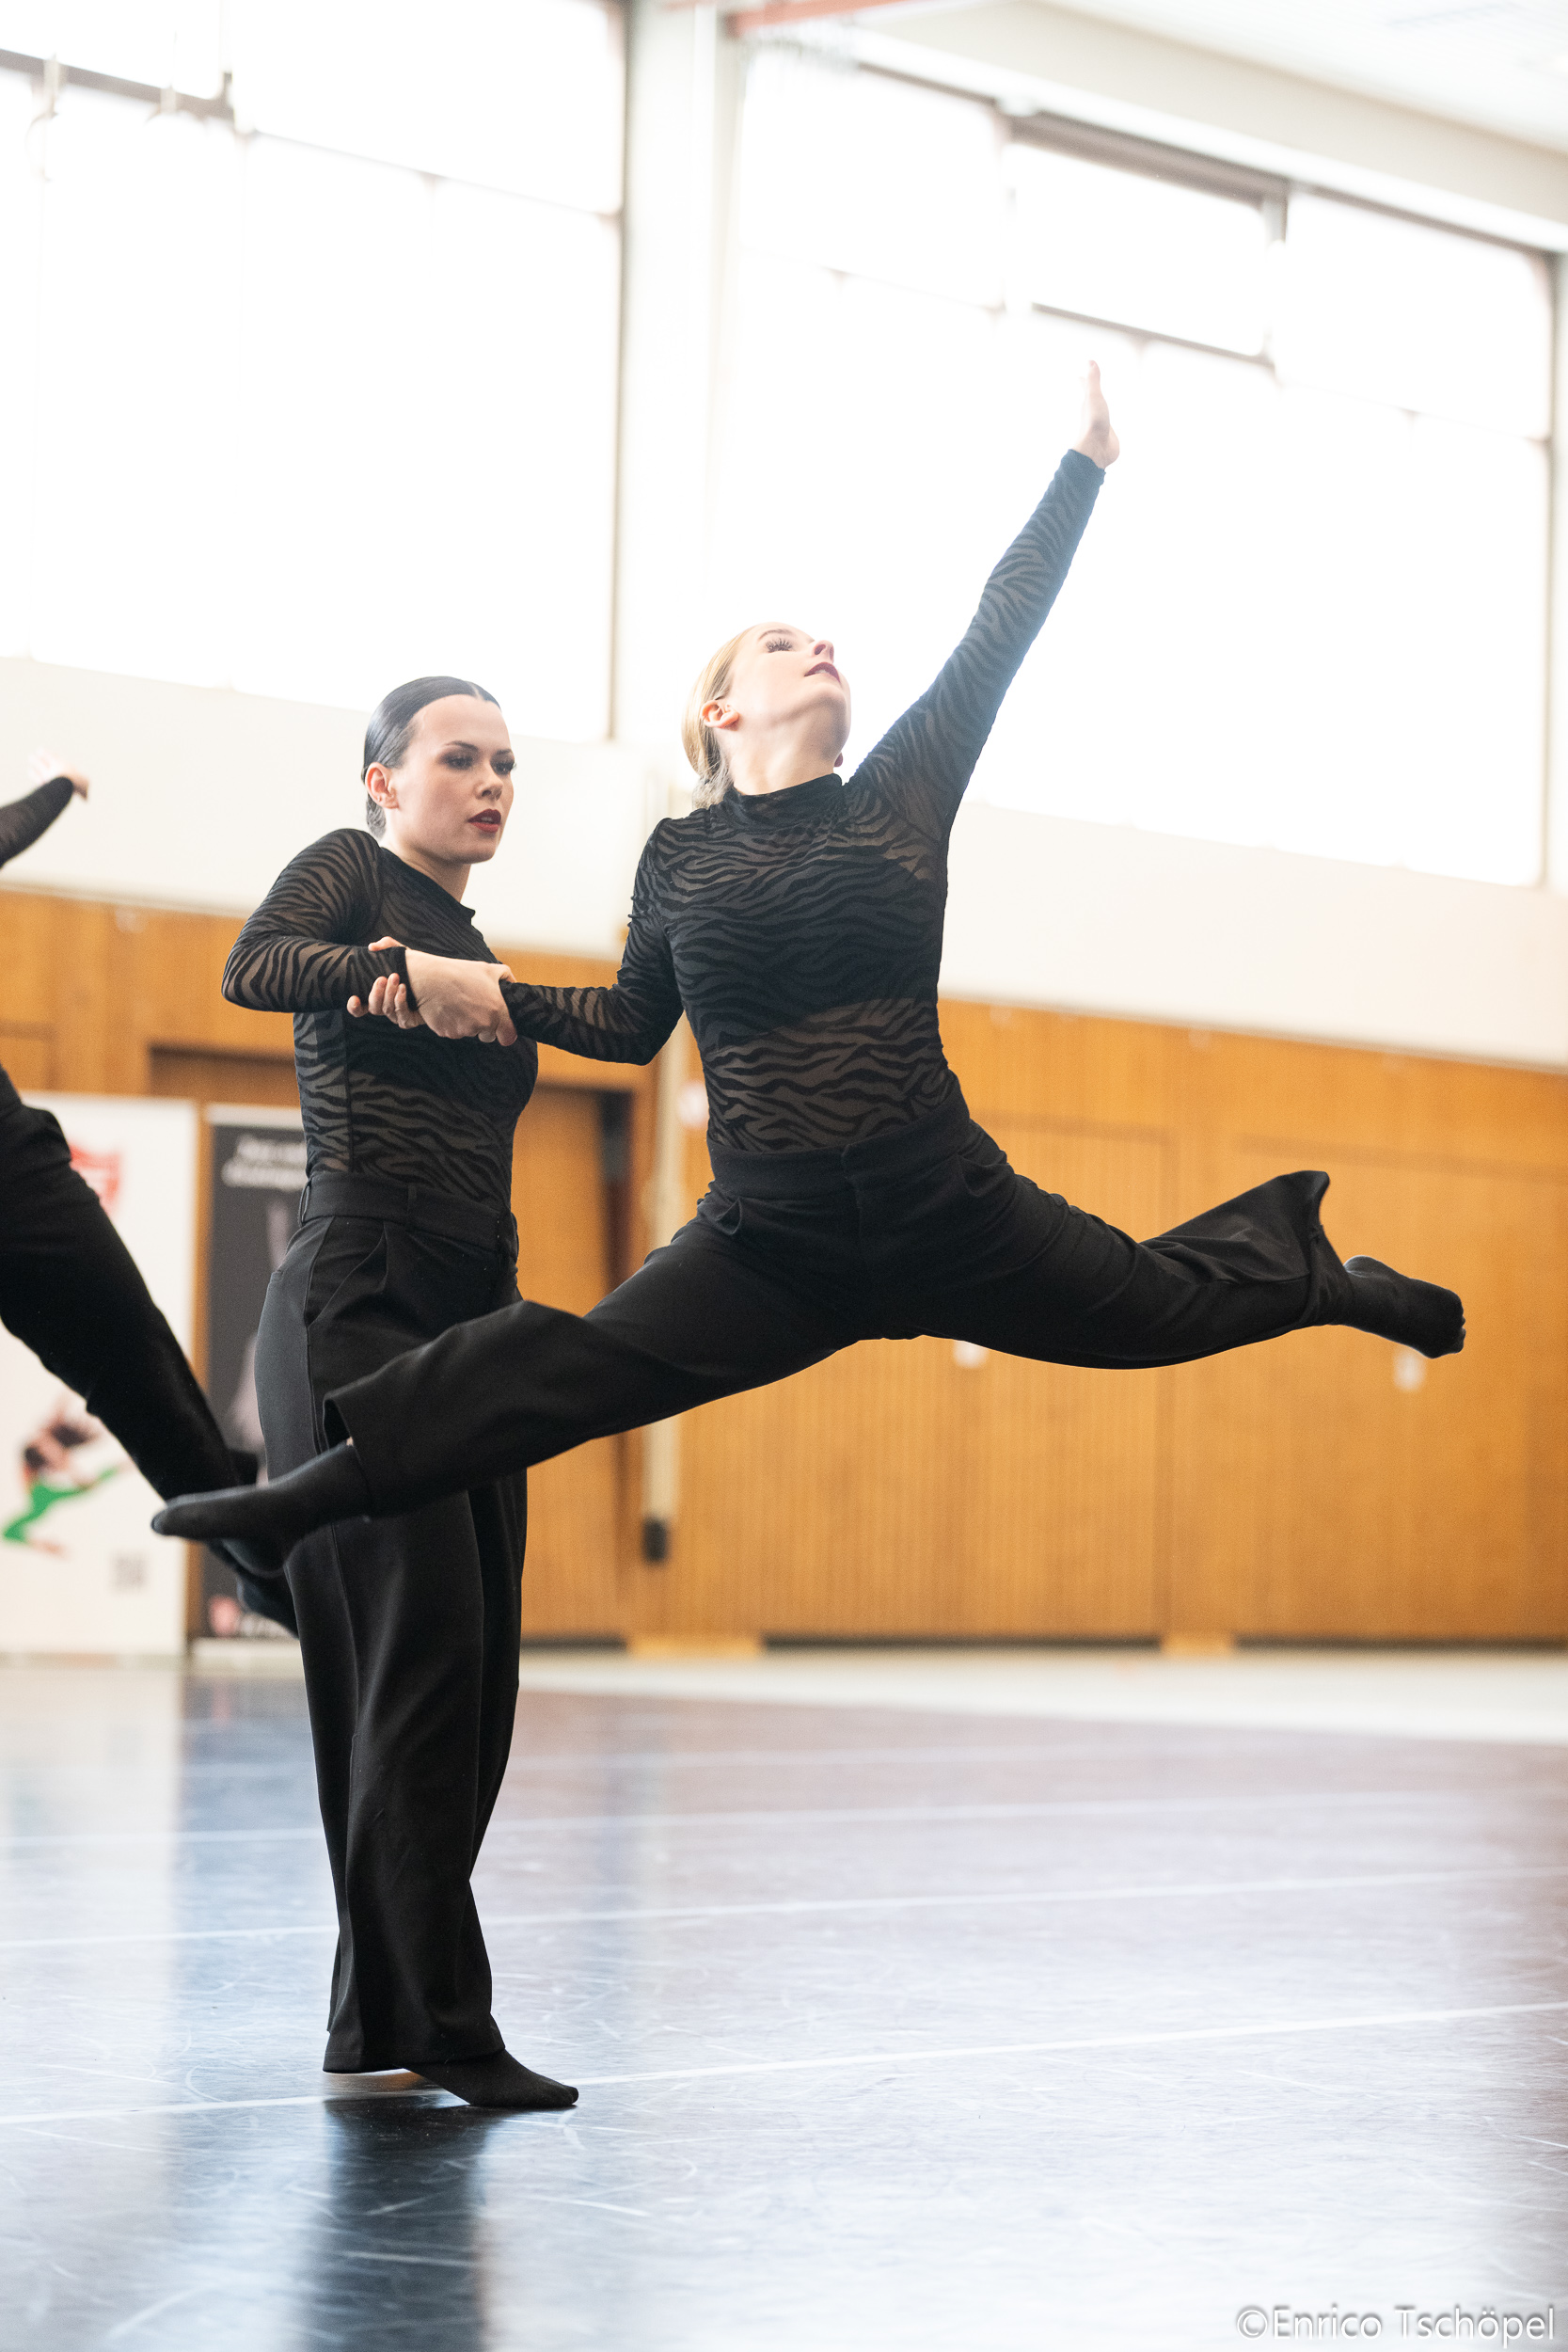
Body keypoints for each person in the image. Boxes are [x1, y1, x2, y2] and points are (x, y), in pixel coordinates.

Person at [158, 365, 1464, 1625]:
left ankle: (1324, 1282)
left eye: (823, 640)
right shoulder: (677, 856)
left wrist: (1083, 464)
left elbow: (998, 624)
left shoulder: (899, 792)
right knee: (569, 1372)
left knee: (1156, 1308)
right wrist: (489, 994)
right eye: (781, 645)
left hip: (941, 1200)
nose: (818, 646)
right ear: (721, 712)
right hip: (766, 1240)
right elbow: (629, 1026)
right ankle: (303, 1497)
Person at [203, 677, 576, 2115]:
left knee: (473, 1681)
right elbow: (254, 966)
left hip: (477, 1307)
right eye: (459, 759)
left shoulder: (479, 947)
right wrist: (389, 967)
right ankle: (443, 2023)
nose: (489, 784)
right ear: (381, 780)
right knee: (418, 1654)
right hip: (359, 1301)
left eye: (506, 765)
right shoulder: (351, 875)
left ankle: (377, 2025)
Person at [0, 759, 268, 1599]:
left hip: (10, 1172)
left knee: (132, 1353)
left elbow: (5, 830)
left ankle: (266, 1566)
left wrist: (56, 787)